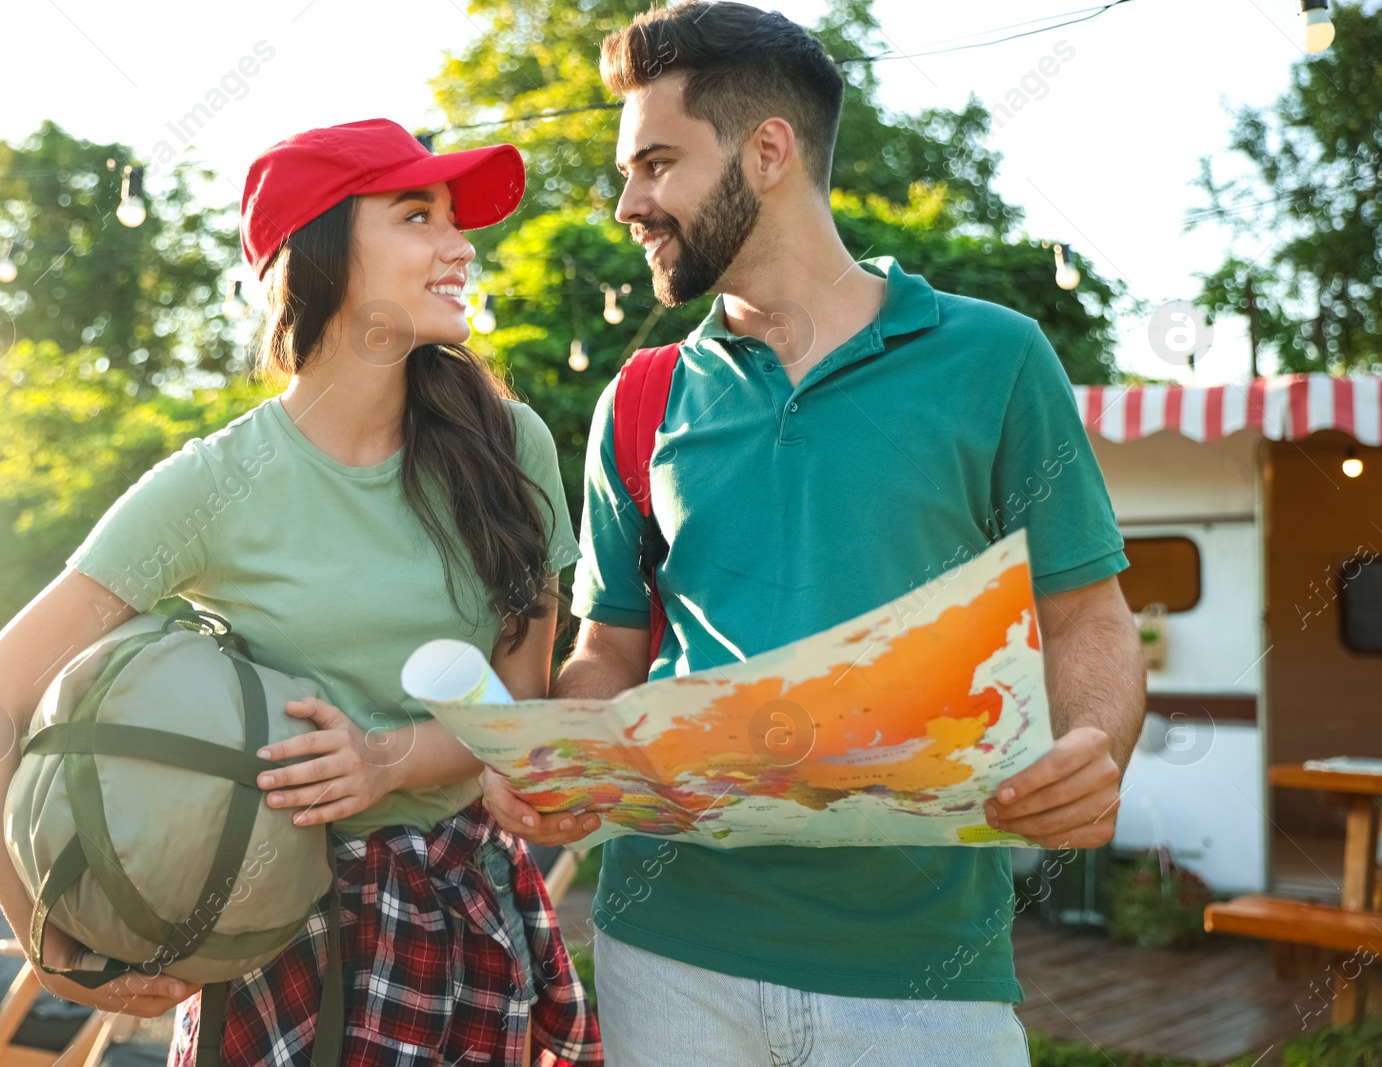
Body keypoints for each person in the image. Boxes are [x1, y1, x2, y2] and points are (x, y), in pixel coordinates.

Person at [478, 4, 1147, 1065]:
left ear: (769, 150)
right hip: (667, 949)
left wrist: (1094, 745)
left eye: (655, 163)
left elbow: (1086, 615)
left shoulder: (994, 358)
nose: (627, 202)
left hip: (921, 969)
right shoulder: (640, 398)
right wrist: (565, 756)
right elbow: (610, 649)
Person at [0, 118, 603, 1067]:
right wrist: (53, 949)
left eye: (455, 219)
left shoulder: (512, 446)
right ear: (321, 255)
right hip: (273, 937)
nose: (458, 246)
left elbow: (518, 707)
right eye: (417, 216)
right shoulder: (211, 485)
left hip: (467, 914)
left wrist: (386, 758)